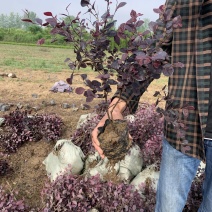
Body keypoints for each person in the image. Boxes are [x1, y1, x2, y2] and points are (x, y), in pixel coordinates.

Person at [92, 0, 212, 211]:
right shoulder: (183, 2)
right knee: (168, 207)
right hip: (183, 130)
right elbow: (152, 55)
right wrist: (118, 105)